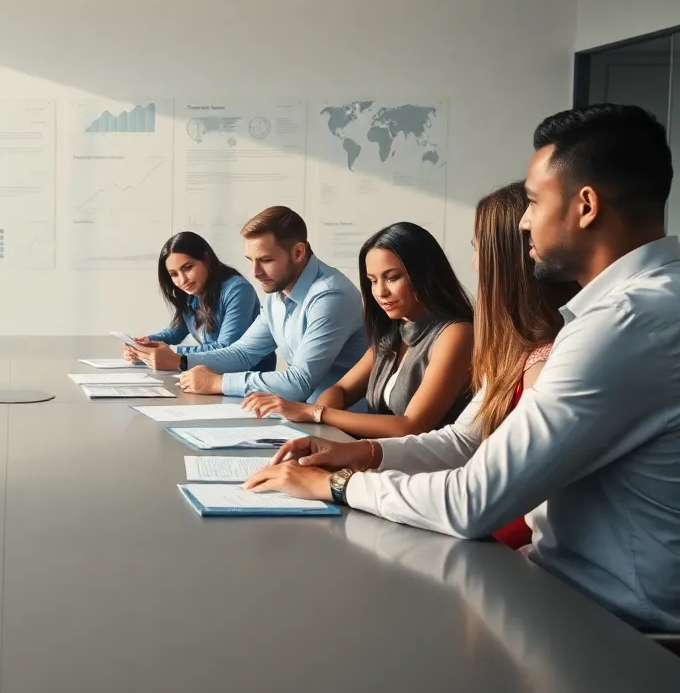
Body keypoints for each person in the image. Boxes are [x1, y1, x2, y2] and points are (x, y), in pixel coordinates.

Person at [245, 105, 680, 631]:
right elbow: (465, 441)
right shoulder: (623, 311)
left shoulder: (625, 323)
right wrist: (355, 454)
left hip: (604, 627)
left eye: (535, 203)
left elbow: (474, 500)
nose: (525, 220)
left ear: (585, 206)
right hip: (565, 595)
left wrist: (337, 486)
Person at [241, 221, 474, 438]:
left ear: (425, 275)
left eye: (392, 278)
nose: (380, 292)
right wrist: (312, 422)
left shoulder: (456, 334)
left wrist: (314, 412)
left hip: (425, 472)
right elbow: (342, 389)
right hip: (379, 456)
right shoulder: (395, 330)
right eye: (373, 280)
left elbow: (411, 426)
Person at [175, 206, 368, 406]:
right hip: (301, 414)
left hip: (343, 426)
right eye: (251, 260)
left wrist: (218, 382)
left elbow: (299, 383)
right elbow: (243, 353)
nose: (255, 272)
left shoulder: (331, 296)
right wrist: (182, 361)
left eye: (266, 260)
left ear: (298, 252)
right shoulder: (278, 291)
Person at [122, 231, 274, 372]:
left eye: (187, 268)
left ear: (206, 260)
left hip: (248, 382)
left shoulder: (237, 290)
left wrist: (173, 355)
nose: (182, 280)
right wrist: (144, 344)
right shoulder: (191, 293)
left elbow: (226, 348)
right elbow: (173, 333)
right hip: (212, 377)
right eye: (174, 274)